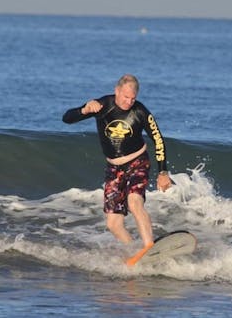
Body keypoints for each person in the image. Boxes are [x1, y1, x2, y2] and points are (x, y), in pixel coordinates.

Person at [62, 74, 172, 266]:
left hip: (137, 162)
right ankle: (136, 254)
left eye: (133, 98)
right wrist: (84, 109)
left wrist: (163, 172)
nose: (129, 102)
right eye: (125, 97)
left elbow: (158, 139)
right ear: (117, 91)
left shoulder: (141, 111)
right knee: (113, 224)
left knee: (134, 202)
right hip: (114, 167)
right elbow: (67, 119)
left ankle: (148, 245)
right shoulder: (102, 105)